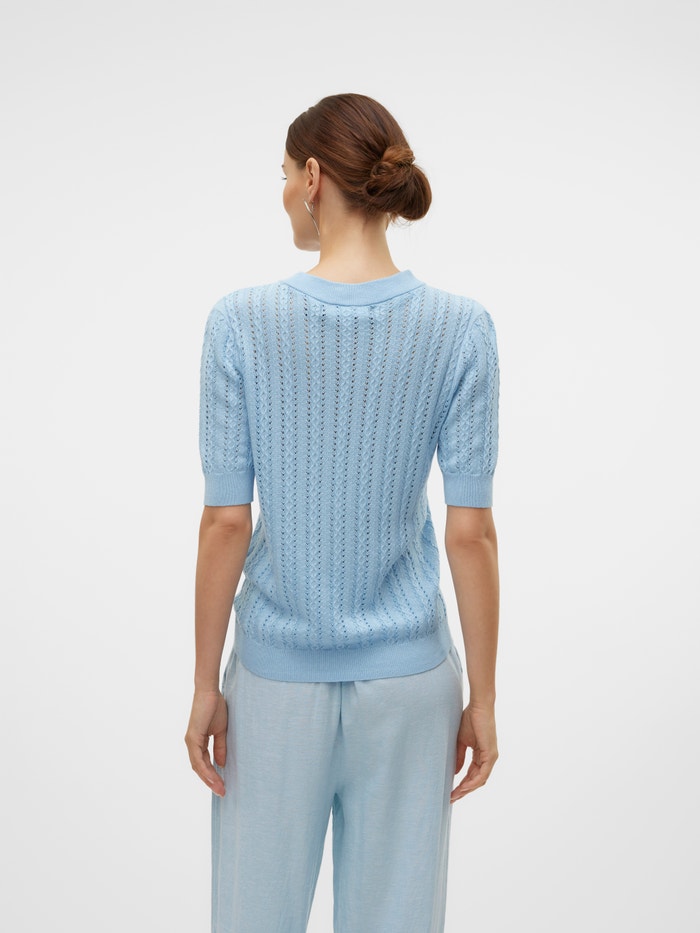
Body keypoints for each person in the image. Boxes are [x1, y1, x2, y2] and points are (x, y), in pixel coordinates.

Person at [184, 92, 501, 933]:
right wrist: (484, 696)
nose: (284, 190)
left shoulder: (240, 323)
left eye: (285, 173)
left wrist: (205, 685)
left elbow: (225, 522)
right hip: (412, 687)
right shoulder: (461, 328)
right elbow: (471, 532)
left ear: (315, 178)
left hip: (274, 683)